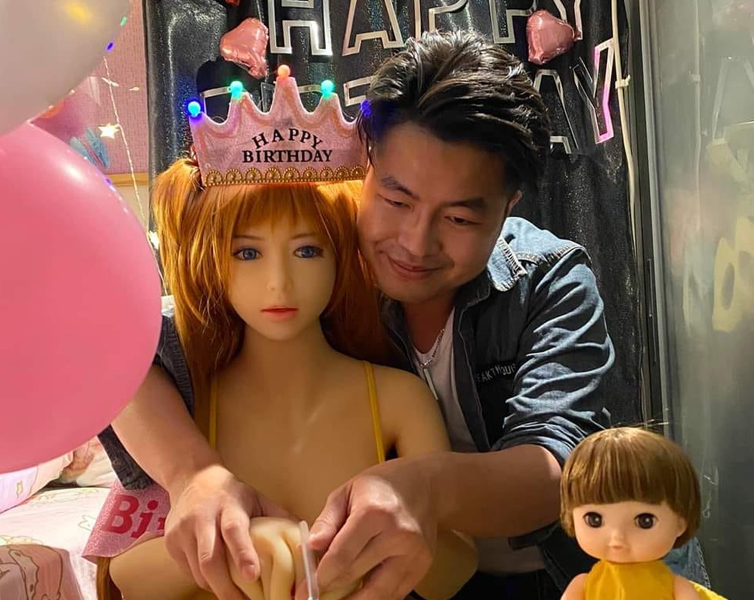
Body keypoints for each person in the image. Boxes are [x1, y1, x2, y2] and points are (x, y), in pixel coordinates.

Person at [100, 30, 614, 600]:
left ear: (508, 205)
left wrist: (422, 488)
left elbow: (557, 466)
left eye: (460, 219)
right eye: (396, 200)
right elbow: (125, 356)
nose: (415, 243)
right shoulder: (332, 267)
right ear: (365, 171)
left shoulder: (547, 279)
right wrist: (193, 475)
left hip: (546, 575)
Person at [89, 71, 476, 600]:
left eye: (307, 250)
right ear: (213, 262)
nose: (279, 282)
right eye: (247, 253)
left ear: (342, 254)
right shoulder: (184, 399)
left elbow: (456, 567)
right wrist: (239, 546)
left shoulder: (396, 398)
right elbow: (125, 575)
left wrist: (394, 538)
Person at [559, 427, 726, 600]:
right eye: (594, 519)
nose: (617, 537)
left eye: (645, 521)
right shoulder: (582, 585)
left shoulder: (677, 587)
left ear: (680, 523)